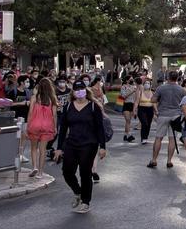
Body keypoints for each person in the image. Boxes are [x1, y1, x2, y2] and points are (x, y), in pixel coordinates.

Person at [53, 82, 109, 214]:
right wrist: (59, 148)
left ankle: (85, 202)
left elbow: (100, 128)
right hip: (71, 143)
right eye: (76, 89)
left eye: (82, 89)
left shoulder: (93, 107)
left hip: (89, 144)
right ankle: (77, 192)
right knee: (67, 171)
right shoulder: (68, 107)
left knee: (85, 173)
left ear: (86, 90)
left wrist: (102, 146)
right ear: (73, 92)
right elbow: (63, 129)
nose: (79, 91)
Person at [148, 71, 184, 169]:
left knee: (158, 138)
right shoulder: (181, 89)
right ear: (177, 78)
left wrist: (161, 99)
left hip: (163, 114)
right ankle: (169, 161)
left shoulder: (161, 88)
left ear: (167, 77)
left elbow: (153, 100)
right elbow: (184, 103)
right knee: (172, 139)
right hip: (176, 116)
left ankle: (154, 160)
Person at [26, 78, 58, 177]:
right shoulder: (52, 99)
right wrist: (55, 127)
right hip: (47, 125)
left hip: (35, 124)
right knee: (43, 150)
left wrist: (28, 124)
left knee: (34, 148)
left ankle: (34, 167)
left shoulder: (34, 98)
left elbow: (30, 112)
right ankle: (40, 172)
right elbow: (55, 115)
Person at [135, 79, 156, 144]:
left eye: (148, 83)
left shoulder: (152, 93)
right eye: (146, 83)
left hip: (150, 110)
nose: (147, 84)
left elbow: (154, 103)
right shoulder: (140, 92)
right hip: (142, 109)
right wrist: (134, 110)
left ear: (150, 85)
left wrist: (156, 110)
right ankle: (143, 138)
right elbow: (136, 102)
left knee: (148, 124)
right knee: (144, 123)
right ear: (143, 85)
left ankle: (145, 137)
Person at [119, 75, 138, 142]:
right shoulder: (123, 87)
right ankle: (129, 135)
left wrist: (135, 108)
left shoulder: (134, 87)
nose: (132, 80)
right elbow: (123, 96)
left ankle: (125, 135)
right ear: (127, 80)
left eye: (132, 79)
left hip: (132, 105)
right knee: (127, 120)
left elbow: (136, 97)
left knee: (129, 121)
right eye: (131, 79)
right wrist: (132, 91)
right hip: (126, 104)